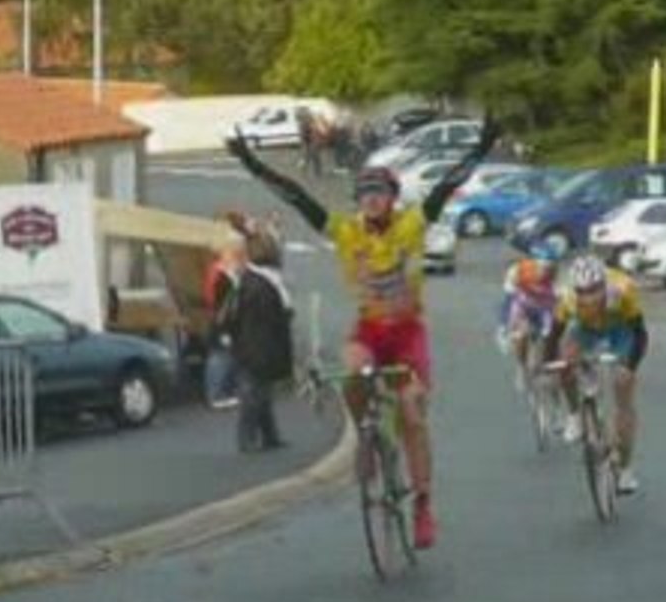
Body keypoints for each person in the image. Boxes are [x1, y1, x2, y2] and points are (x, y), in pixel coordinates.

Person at [227, 116, 498, 549]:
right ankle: (365, 439)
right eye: (365, 194)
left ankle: (422, 505)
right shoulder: (346, 231)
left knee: (411, 413)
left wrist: (481, 148)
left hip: (407, 333)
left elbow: (447, 186)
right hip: (370, 329)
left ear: (392, 198)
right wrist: (252, 163)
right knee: (352, 373)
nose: (371, 200)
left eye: (379, 193)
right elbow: (297, 197)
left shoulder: (412, 224)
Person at [556, 255, 649, 495]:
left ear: (604, 285)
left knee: (623, 387)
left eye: (594, 290)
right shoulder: (567, 299)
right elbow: (554, 335)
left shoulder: (623, 290)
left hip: (621, 331)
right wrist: (555, 364)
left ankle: (625, 469)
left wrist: (629, 367)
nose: (589, 298)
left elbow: (640, 334)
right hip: (584, 330)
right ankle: (575, 415)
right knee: (564, 362)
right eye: (582, 292)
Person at [225, 221, 294, 454]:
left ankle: (269, 436)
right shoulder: (262, 285)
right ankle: (248, 439)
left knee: (262, 395)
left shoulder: (252, 281)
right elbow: (261, 323)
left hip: (252, 347)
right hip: (258, 348)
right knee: (254, 395)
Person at [497, 242, 561, 390]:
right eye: (542, 268)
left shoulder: (556, 278)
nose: (545, 272)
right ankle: (521, 367)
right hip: (523, 306)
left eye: (550, 269)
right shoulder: (516, 271)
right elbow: (508, 300)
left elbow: (560, 305)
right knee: (521, 334)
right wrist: (503, 327)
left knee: (549, 335)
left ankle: (546, 364)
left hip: (545, 308)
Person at [202, 234, 246, 410]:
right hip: (222, 322)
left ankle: (225, 393)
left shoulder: (223, 271)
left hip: (226, 321)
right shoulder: (221, 275)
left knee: (228, 357)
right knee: (220, 357)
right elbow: (220, 302)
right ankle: (216, 395)